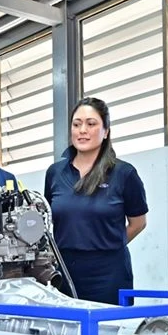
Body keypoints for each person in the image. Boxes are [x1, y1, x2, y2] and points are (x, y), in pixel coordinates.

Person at [43, 97, 148, 305]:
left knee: (111, 324)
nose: (82, 130)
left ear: (106, 131)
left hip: (109, 274)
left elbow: (138, 223)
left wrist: (108, 245)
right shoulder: (55, 173)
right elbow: (49, 220)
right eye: (76, 124)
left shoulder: (124, 173)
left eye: (91, 124)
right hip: (65, 272)